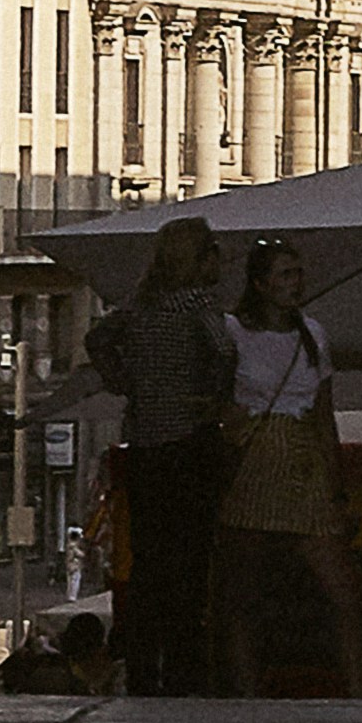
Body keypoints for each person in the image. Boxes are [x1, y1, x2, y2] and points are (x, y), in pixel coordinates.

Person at [211, 239, 362, 696]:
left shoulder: (313, 333)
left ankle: (361, 692)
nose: (294, 283)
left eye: (297, 273)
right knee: (243, 593)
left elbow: (324, 414)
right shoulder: (233, 332)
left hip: (304, 459)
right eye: (284, 275)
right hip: (257, 457)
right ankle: (243, 691)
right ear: (260, 285)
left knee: (344, 593)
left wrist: (338, 488)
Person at [102, 217, 240, 694]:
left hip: (144, 446)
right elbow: (224, 351)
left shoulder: (140, 305)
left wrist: (123, 379)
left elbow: (97, 339)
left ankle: (143, 666)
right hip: (189, 441)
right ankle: (185, 669)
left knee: (148, 561)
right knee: (191, 559)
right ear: (198, 259)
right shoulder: (198, 302)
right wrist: (214, 396)